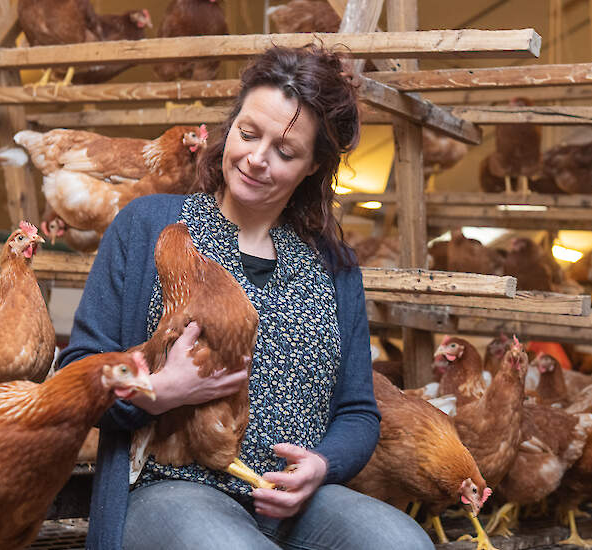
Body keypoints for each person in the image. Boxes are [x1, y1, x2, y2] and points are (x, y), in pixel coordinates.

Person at [58, 45, 433, 550]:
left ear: (313, 166)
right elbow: (78, 370)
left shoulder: (333, 266)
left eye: (285, 151)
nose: (256, 159)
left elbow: (358, 411)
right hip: (170, 489)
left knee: (403, 544)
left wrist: (321, 466)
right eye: (248, 133)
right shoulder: (147, 226)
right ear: (229, 127)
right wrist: (160, 392)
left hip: (293, 500)